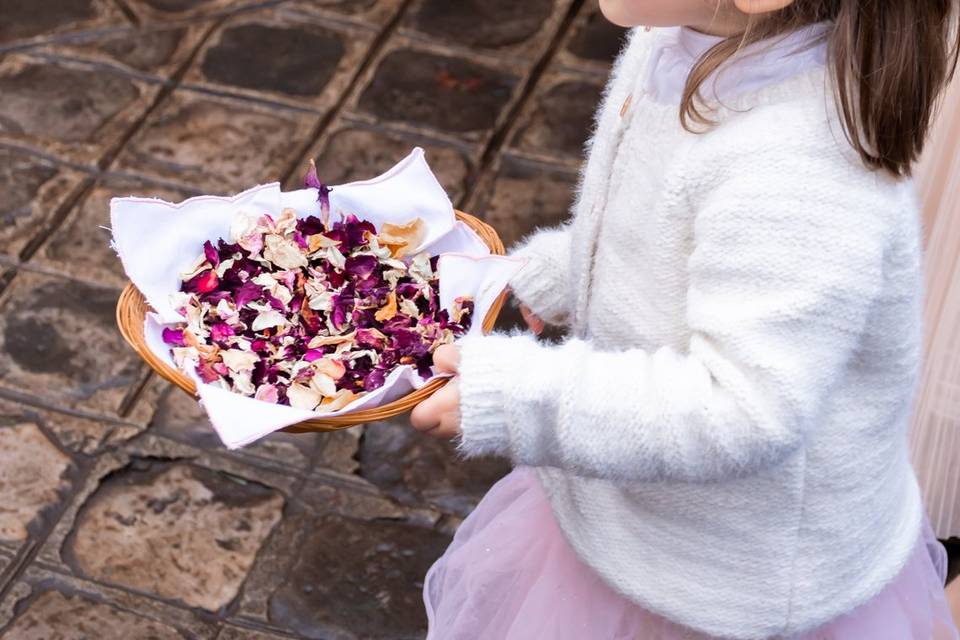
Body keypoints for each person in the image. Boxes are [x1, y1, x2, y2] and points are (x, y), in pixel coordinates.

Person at [411, 1, 960, 638]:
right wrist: (549, 274)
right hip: (639, 516)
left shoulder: (795, 167)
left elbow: (742, 408)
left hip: (728, 580)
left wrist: (517, 398)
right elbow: (656, 236)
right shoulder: (676, 40)